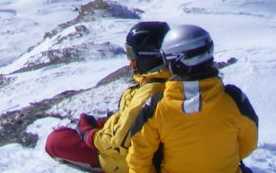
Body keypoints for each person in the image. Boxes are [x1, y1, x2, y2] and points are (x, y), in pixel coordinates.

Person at [43, 21, 257, 173]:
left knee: (57, 140)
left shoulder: (157, 104)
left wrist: (88, 132)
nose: (130, 63)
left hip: (118, 157)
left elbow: (137, 153)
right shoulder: (234, 99)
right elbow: (247, 144)